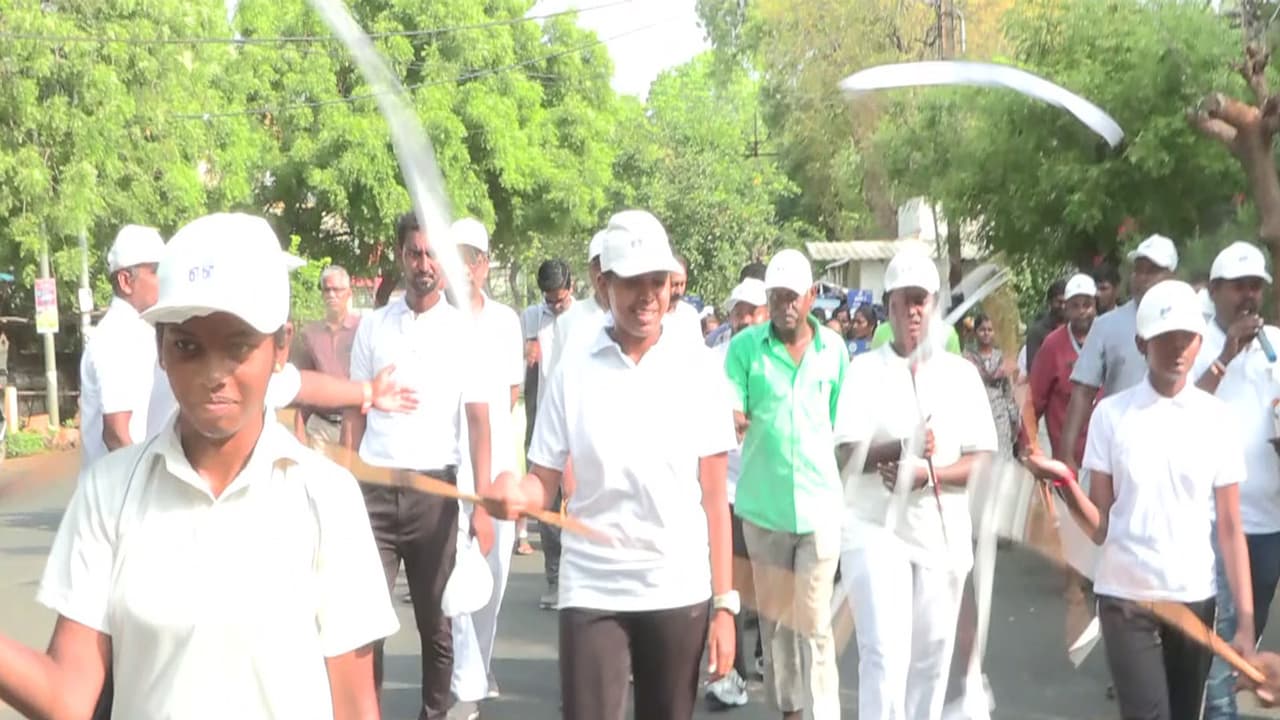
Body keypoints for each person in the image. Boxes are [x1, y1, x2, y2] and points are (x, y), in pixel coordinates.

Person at [0, 212, 399, 719]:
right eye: (188, 347)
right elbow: (68, 698)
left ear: (280, 347)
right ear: (161, 350)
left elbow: (356, 706)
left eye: (238, 346)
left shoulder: (326, 497)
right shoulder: (111, 492)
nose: (214, 374)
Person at [482, 210, 738, 720]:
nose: (647, 296)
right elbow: (542, 480)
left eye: (657, 281)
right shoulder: (573, 367)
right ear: (604, 284)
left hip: (675, 585)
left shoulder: (698, 366)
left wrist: (725, 605)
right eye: (632, 282)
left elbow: (715, 498)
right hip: (592, 584)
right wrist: (513, 493)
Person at [1054, 279, 1256, 720]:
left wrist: (1245, 622)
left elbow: (1230, 527)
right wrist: (1066, 484)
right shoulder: (1112, 415)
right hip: (1126, 597)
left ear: (1199, 341)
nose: (1178, 348)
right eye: (1165, 338)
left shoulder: (1217, 419)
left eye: (1187, 337)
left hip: (1193, 595)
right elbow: (1100, 526)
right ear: (1142, 343)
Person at [343, 211, 497, 720]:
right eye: (415, 253)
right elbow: (355, 412)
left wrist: (481, 507)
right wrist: (345, 485)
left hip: (435, 493)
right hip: (374, 490)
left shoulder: (464, 331)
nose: (424, 264)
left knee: (437, 624)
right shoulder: (374, 325)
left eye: (432, 255)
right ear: (401, 257)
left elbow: (479, 423)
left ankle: (434, 713)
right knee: (364, 622)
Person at [834, 249, 997, 720]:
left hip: (940, 535)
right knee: (885, 656)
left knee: (932, 661)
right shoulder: (864, 371)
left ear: (934, 305)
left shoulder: (961, 375)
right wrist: (901, 447)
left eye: (920, 300)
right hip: (874, 530)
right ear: (888, 306)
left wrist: (929, 476)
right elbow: (846, 453)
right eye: (902, 301)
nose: (912, 311)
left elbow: (982, 459)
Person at [725, 248, 846, 720]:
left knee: (814, 621)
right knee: (777, 625)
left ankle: (824, 713)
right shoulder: (744, 349)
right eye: (776, 296)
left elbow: (839, 421)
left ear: (811, 295)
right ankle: (790, 711)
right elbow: (732, 405)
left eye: (792, 296)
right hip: (764, 509)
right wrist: (734, 416)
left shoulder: (833, 350)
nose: (784, 305)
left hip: (819, 508)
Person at [1191, 242, 1280, 720]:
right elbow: (1180, 414)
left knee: (1248, 634)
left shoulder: (1277, 347)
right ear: (1215, 290)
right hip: (1212, 518)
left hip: (1268, 521)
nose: (1249, 296)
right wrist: (1226, 355)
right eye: (1239, 286)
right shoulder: (1192, 345)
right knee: (1222, 636)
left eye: (1256, 287)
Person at [445, 218, 525, 713]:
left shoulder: (505, 322)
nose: (462, 269)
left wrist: (496, 469)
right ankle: (465, 685)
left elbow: (511, 394)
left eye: (469, 259)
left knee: (491, 582)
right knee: (453, 585)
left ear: (483, 265)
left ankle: (479, 663)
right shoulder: (433, 318)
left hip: (496, 473)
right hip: (445, 471)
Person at [1060, 234, 1179, 476]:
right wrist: (1066, 453)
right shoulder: (1106, 325)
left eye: (1151, 271)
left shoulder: (1189, 323)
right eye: (1138, 270)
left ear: (1171, 277)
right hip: (1119, 454)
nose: (1142, 278)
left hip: (1175, 453)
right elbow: (1083, 391)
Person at [1028, 272, 1102, 660]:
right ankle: (1075, 585)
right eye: (1076, 305)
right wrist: (1028, 445)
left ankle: (1101, 583)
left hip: (1105, 453)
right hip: (1068, 454)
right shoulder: (1053, 346)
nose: (1083, 311)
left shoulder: (1108, 339)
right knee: (1074, 524)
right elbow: (1035, 398)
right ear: (1066, 309)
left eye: (1088, 304)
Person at [705, 277, 769, 710]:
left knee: (768, 583)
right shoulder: (712, 360)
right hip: (725, 488)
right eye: (738, 311)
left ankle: (769, 657)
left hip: (771, 489)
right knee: (729, 584)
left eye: (753, 311)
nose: (745, 318)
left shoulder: (779, 359)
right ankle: (730, 675)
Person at [79, 225, 164, 465]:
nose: (165, 280)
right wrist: (145, 480)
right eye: (156, 271)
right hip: (126, 484)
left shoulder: (141, 330)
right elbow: (116, 434)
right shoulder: (117, 338)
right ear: (126, 281)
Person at [520, 258, 574, 595]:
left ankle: (575, 574)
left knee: (578, 498)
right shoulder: (531, 317)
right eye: (549, 300)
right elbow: (524, 365)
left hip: (576, 418)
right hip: (542, 418)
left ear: (571, 287)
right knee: (547, 500)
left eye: (560, 299)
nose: (554, 305)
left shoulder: (583, 318)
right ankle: (554, 576)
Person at [292, 265, 360, 445]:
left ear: (349, 293)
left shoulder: (362, 330)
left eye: (337, 290)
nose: (332, 295)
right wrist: (299, 427)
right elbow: (305, 384)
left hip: (354, 424)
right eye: (327, 290)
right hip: (320, 425)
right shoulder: (310, 334)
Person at [964, 314, 1019, 458]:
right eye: (982, 330)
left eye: (990, 330)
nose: (986, 333)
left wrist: (1014, 419)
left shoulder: (1002, 359)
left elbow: (1008, 392)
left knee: (1002, 459)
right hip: (976, 415)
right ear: (975, 332)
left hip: (1000, 416)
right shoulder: (968, 359)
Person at [707, 262, 768, 348]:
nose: (745, 320)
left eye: (752, 312)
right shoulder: (718, 349)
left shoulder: (783, 351)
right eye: (738, 314)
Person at [1024, 279, 1068, 370]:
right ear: (1050, 302)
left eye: (1066, 302)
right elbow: (1032, 367)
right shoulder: (1037, 332)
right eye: (1059, 302)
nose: (1063, 306)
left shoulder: (1076, 328)